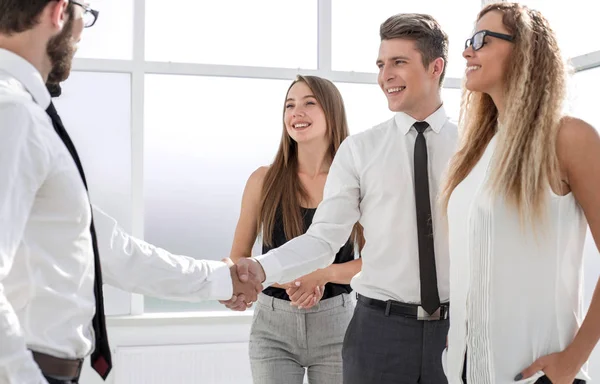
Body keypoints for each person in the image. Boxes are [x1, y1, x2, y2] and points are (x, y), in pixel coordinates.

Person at [0, 1, 260, 383]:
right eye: (84, 16)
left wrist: (219, 279)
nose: (81, 33)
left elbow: (104, 248)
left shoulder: (25, 115)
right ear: (59, 12)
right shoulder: (14, 113)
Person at [234, 13, 458, 383]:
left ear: (436, 67)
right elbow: (324, 238)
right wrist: (259, 270)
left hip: (456, 328)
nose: (386, 75)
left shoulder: (476, 148)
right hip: (377, 332)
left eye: (399, 62)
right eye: (381, 64)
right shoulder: (359, 150)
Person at [440, 2, 600, 383]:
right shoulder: (474, 153)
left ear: (524, 49)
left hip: (537, 376)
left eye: (481, 40)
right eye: (468, 40)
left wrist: (572, 360)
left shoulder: (568, 138)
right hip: (464, 370)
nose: (467, 51)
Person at [220, 75, 364, 384]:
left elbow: (372, 262)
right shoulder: (263, 180)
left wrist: (322, 276)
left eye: (309, 103)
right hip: (273, 327)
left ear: (332, 113)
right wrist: (228, 279)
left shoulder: (354, 181)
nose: (296, 112)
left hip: (338, 323)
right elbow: (238, 256)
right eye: (289, 105)